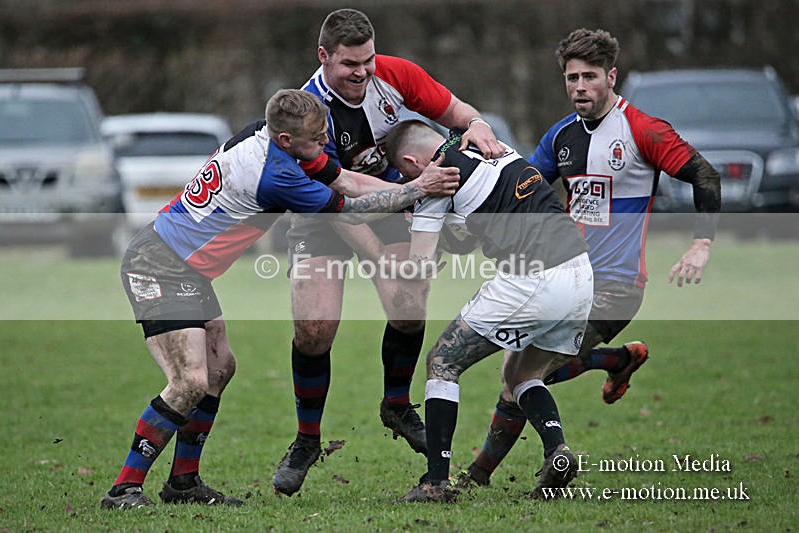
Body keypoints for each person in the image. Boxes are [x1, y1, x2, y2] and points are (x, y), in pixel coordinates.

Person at [100, 88, 459, 509]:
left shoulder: (268, 136)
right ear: (288, 140)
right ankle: (124, 488)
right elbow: (353, 207)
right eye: (317, 138)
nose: (325, 143)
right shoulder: (276, 176)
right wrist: (417, 190)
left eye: (324, 133)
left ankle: (183, 483)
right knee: (190, 381)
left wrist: (415, 188)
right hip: (159, 266)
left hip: (187, 269)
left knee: (219, 369)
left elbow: (347, 179)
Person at [458, 28, 722, 489]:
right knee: (520, 374)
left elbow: (705, 175)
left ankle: (495, 471)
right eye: (572, 78)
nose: (580, 86)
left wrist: (701, 244)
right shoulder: (561, 136)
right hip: (564, 280)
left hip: (617, 287)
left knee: (521, 374)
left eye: (590, 77)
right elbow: (524, 190)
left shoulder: (643, 130)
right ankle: (617, 361)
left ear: (611, 77)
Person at [273, 8, 504, 496]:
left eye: (367, 61)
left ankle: (397, 404)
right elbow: (338, 199)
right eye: (349, 64)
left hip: (394, 200)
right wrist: (380, 255)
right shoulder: (311, 111)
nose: (362, 72)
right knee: (314, 329)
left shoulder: (396, 75)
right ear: (323, 56)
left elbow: (456, 110)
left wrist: (478, 123)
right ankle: (307, 439)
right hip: (325, 213)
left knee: (408, 303)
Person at [384, 119, 594, 502]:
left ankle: (435, 483)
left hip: (533, 276)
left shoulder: (436, 182)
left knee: (442, 362)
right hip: (579, 274)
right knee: (522, 375)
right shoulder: (490, 145)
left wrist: (387, 261)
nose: (413, 182)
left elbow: (419, 266)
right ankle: (557, 451)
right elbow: (475, 223)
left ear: (413, 162)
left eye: (406, 173)